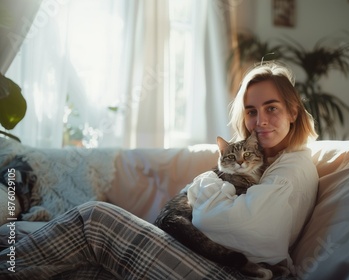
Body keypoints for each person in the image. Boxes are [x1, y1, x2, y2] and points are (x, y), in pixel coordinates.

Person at [0, 61, 319, 279]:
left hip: (229, 271)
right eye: (252, 111)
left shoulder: (294, 166)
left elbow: (235, 225)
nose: (260, 120)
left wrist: (204, 184)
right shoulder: (266, 158)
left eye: (271, 108)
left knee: (95, 219)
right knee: (83, 270)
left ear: (293, 111)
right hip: (197, 255)